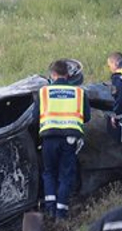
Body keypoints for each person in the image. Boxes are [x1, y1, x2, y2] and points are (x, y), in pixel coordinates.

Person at [36, 59, 91, 219]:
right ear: (68, 74)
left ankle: (50, 209)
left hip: (49, 138)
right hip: (70, 139)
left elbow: (35, 116)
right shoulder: (79, 93)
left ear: (52, 75)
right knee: (66, 175)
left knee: (49, 173)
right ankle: (61, 213)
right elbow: (86, 117)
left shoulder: (44, 92)